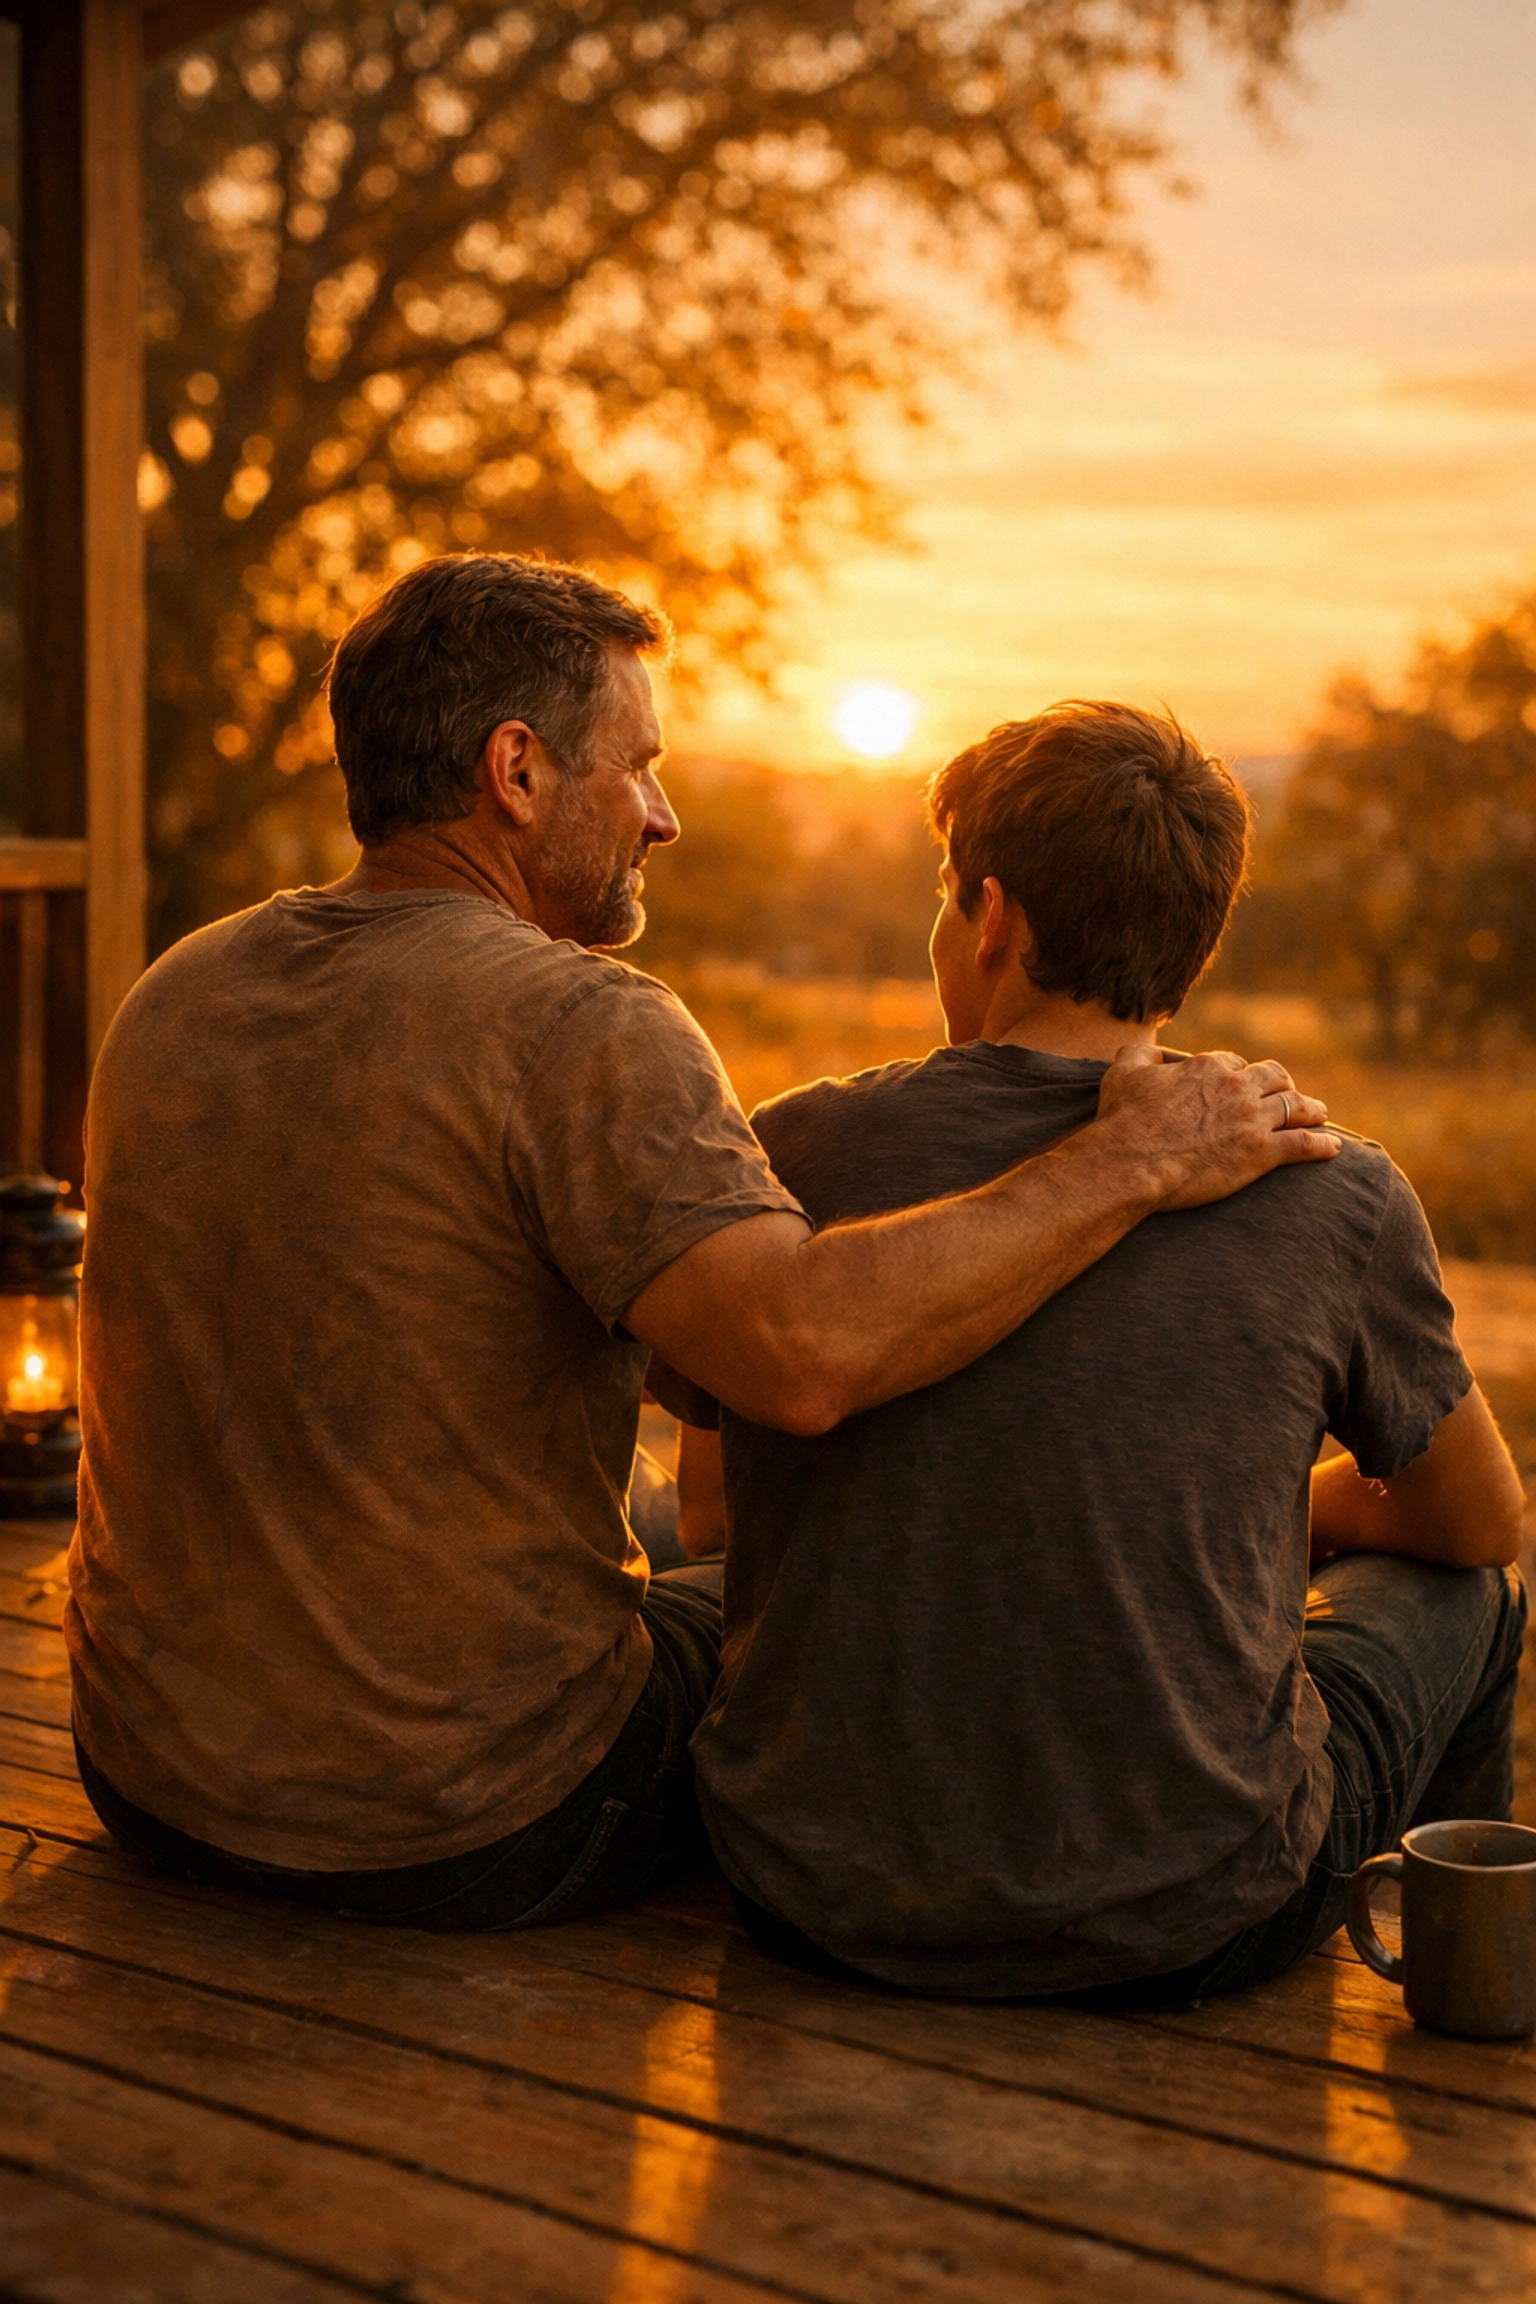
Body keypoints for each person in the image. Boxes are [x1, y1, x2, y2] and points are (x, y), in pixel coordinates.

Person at [66, 560, 1335, 1934]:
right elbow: (797, 1358)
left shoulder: (175, 991)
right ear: (518, 770)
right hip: (462, 1820)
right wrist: (1132, 1160)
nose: (662, 815)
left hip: (150, 1772)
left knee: (675, 1512)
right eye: (639, 766)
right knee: (821, 1589)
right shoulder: (581, 1026)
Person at [661, 702, 1527, 2003]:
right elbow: (1477, 1522)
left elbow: (711, 1510)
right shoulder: (1329, 1187)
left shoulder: (791, 1152)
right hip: (1192, 1916)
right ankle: (1460, 1975)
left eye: (944, 900)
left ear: (992, 915)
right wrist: (1279, 1518)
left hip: (807, 1890)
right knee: (1480, 1601)